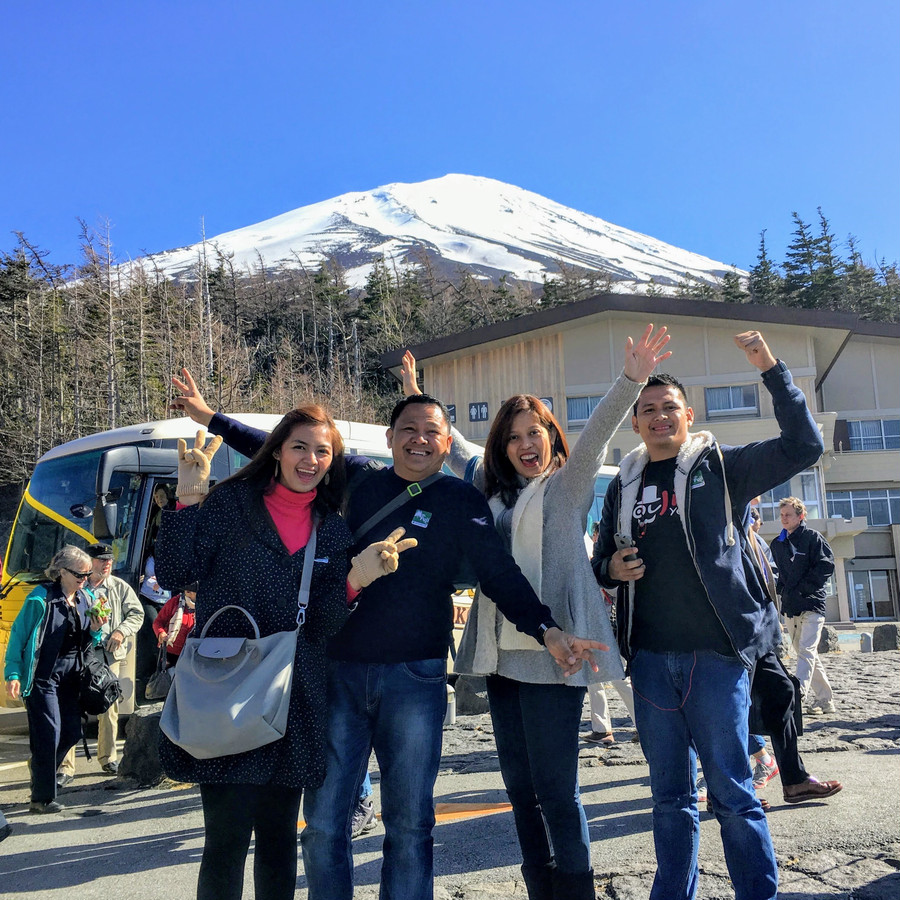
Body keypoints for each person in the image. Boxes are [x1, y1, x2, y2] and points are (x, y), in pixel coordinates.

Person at [170, 369, 604, 900]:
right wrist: (211, 418)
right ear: (390, 437)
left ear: (448, 444)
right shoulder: (358, 481)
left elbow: (501, 576)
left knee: (410, 824)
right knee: (326, 825)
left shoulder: (463, 502)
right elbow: (285, 448)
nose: (419, 439)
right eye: (408, 429)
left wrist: (547, 630)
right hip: (337, 670)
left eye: (432, 432)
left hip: (416, 677)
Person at [400, 324, 671, 899]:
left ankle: (576, 891)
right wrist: (415, 392)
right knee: (519, 791)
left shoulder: (568, 486)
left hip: (558, 655)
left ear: (551, 437)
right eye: (514, 437)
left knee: (556, 789)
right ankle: (540, 888)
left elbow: (597, 434)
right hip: (504, 658)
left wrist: (632, 379)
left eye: (536, 433)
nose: (526, 445)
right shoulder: (490, 493)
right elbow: (454, 450)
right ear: (502, 447)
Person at [593, 331, 824, 900]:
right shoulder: (622, 484)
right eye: (646, 411)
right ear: (635, 423)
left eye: (668, 407)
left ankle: (757, 892)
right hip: (647, 661)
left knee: (733, 792)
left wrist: (770, 369)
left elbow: (804, 446)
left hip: (717, 657)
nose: (657, 417)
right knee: (669, 796)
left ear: (687, 416)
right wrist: (610, 569)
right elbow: (600, 558)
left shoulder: (721, 468)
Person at [155, 409, 415, 900]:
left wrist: (356, 578)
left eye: (323, 451)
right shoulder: (231, 502)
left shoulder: (332, 530)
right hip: (226, 688)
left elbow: (320, 624)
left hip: (293, 701)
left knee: (278, 842)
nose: (311, 459)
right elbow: (174, 571)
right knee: (226, 842)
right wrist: (189, 498)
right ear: (276, 450)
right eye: (300, 447)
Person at [4, 545, 107, 813]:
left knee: (71, 731)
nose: (84, 579)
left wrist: (96, 631)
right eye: (79, 574)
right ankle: (42, 798)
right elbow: (19, 636)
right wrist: (12, 673)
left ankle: (41, 772)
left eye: (87, 574)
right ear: (61, 572)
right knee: (49, 733)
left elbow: (87, 641)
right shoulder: (41, 598)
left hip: (72, 676)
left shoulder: (85, 598)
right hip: (42, 677)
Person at [58, 541, 144, 784]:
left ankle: (108, 757)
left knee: (109, 707)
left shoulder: (118, 587)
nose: (107, 564)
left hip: (107, 656)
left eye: (109, 560)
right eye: (101, 560)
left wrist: (121, 631)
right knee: (71, 707)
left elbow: (136, 614)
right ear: (89, 562)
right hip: (77, 655)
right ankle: (66, 767)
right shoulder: (78, 586)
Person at [770, 497, 837, 715]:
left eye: (788, 515)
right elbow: (780, 572)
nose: (784, 519)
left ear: (801, 516)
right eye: (781, 515)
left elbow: (826, 566)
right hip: (790, 606)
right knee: (805, 653)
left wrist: (805, 589)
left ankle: (797, 695)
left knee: (806, 651)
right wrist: (782, 589)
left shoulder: (813, 538)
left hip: (812, 605)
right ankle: (826, 701)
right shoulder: (777, 544)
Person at [152, 582, 198, 667]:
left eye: (192, 591)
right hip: (170, 652)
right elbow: (158, 622)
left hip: (193, 654)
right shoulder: (174, 602)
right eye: (187, 590)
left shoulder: (205, 606)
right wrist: (160, 633)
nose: (188, 592)